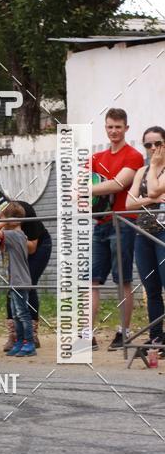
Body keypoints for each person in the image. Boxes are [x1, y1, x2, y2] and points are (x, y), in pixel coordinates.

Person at [91, 108, 144, 350]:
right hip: (100, 222)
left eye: (118, 127)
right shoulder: (96, 157)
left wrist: (86, 190)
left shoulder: (133, 155)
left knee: (122, 280)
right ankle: (87, 334)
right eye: (110, 126)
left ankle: (123, 332)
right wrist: (83, 187)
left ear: (126, 128)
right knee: (92, 281)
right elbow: (81, 179)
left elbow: (119, 183)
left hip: (123, 222)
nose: (114, 131)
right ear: (105, 127)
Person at [0, 191, 53, 350]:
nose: (9, 213)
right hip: (14, 249)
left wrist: (13, 232)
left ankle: (31, 334)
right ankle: (14, 334)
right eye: (3, 212)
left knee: (28, 284)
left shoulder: (24, 211)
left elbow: (31, 249)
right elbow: (2, 248)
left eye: (8, 208)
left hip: (37, 247)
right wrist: (6, 229)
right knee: (12, 289)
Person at [125, 127, 165, 355]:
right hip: (143, 233)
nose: (152, 149)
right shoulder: (141, 170)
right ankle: (156, 336)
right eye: (147, 145)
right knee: (151, 289)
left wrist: (157, 170)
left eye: (157, 144)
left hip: (163, 232)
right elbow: (129, 204)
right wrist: (152, 198)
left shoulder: (158, 169)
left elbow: (151, 189)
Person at [0, 201, 36, 356]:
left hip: (19, 281)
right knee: (16, 314)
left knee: (22, 314)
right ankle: (20, 342)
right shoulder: (17, 235)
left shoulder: (14, 235)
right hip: (15, 280)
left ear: (12, 221)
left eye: (2, 218)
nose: (0, 222)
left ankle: (29, 343)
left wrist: (2, 222)